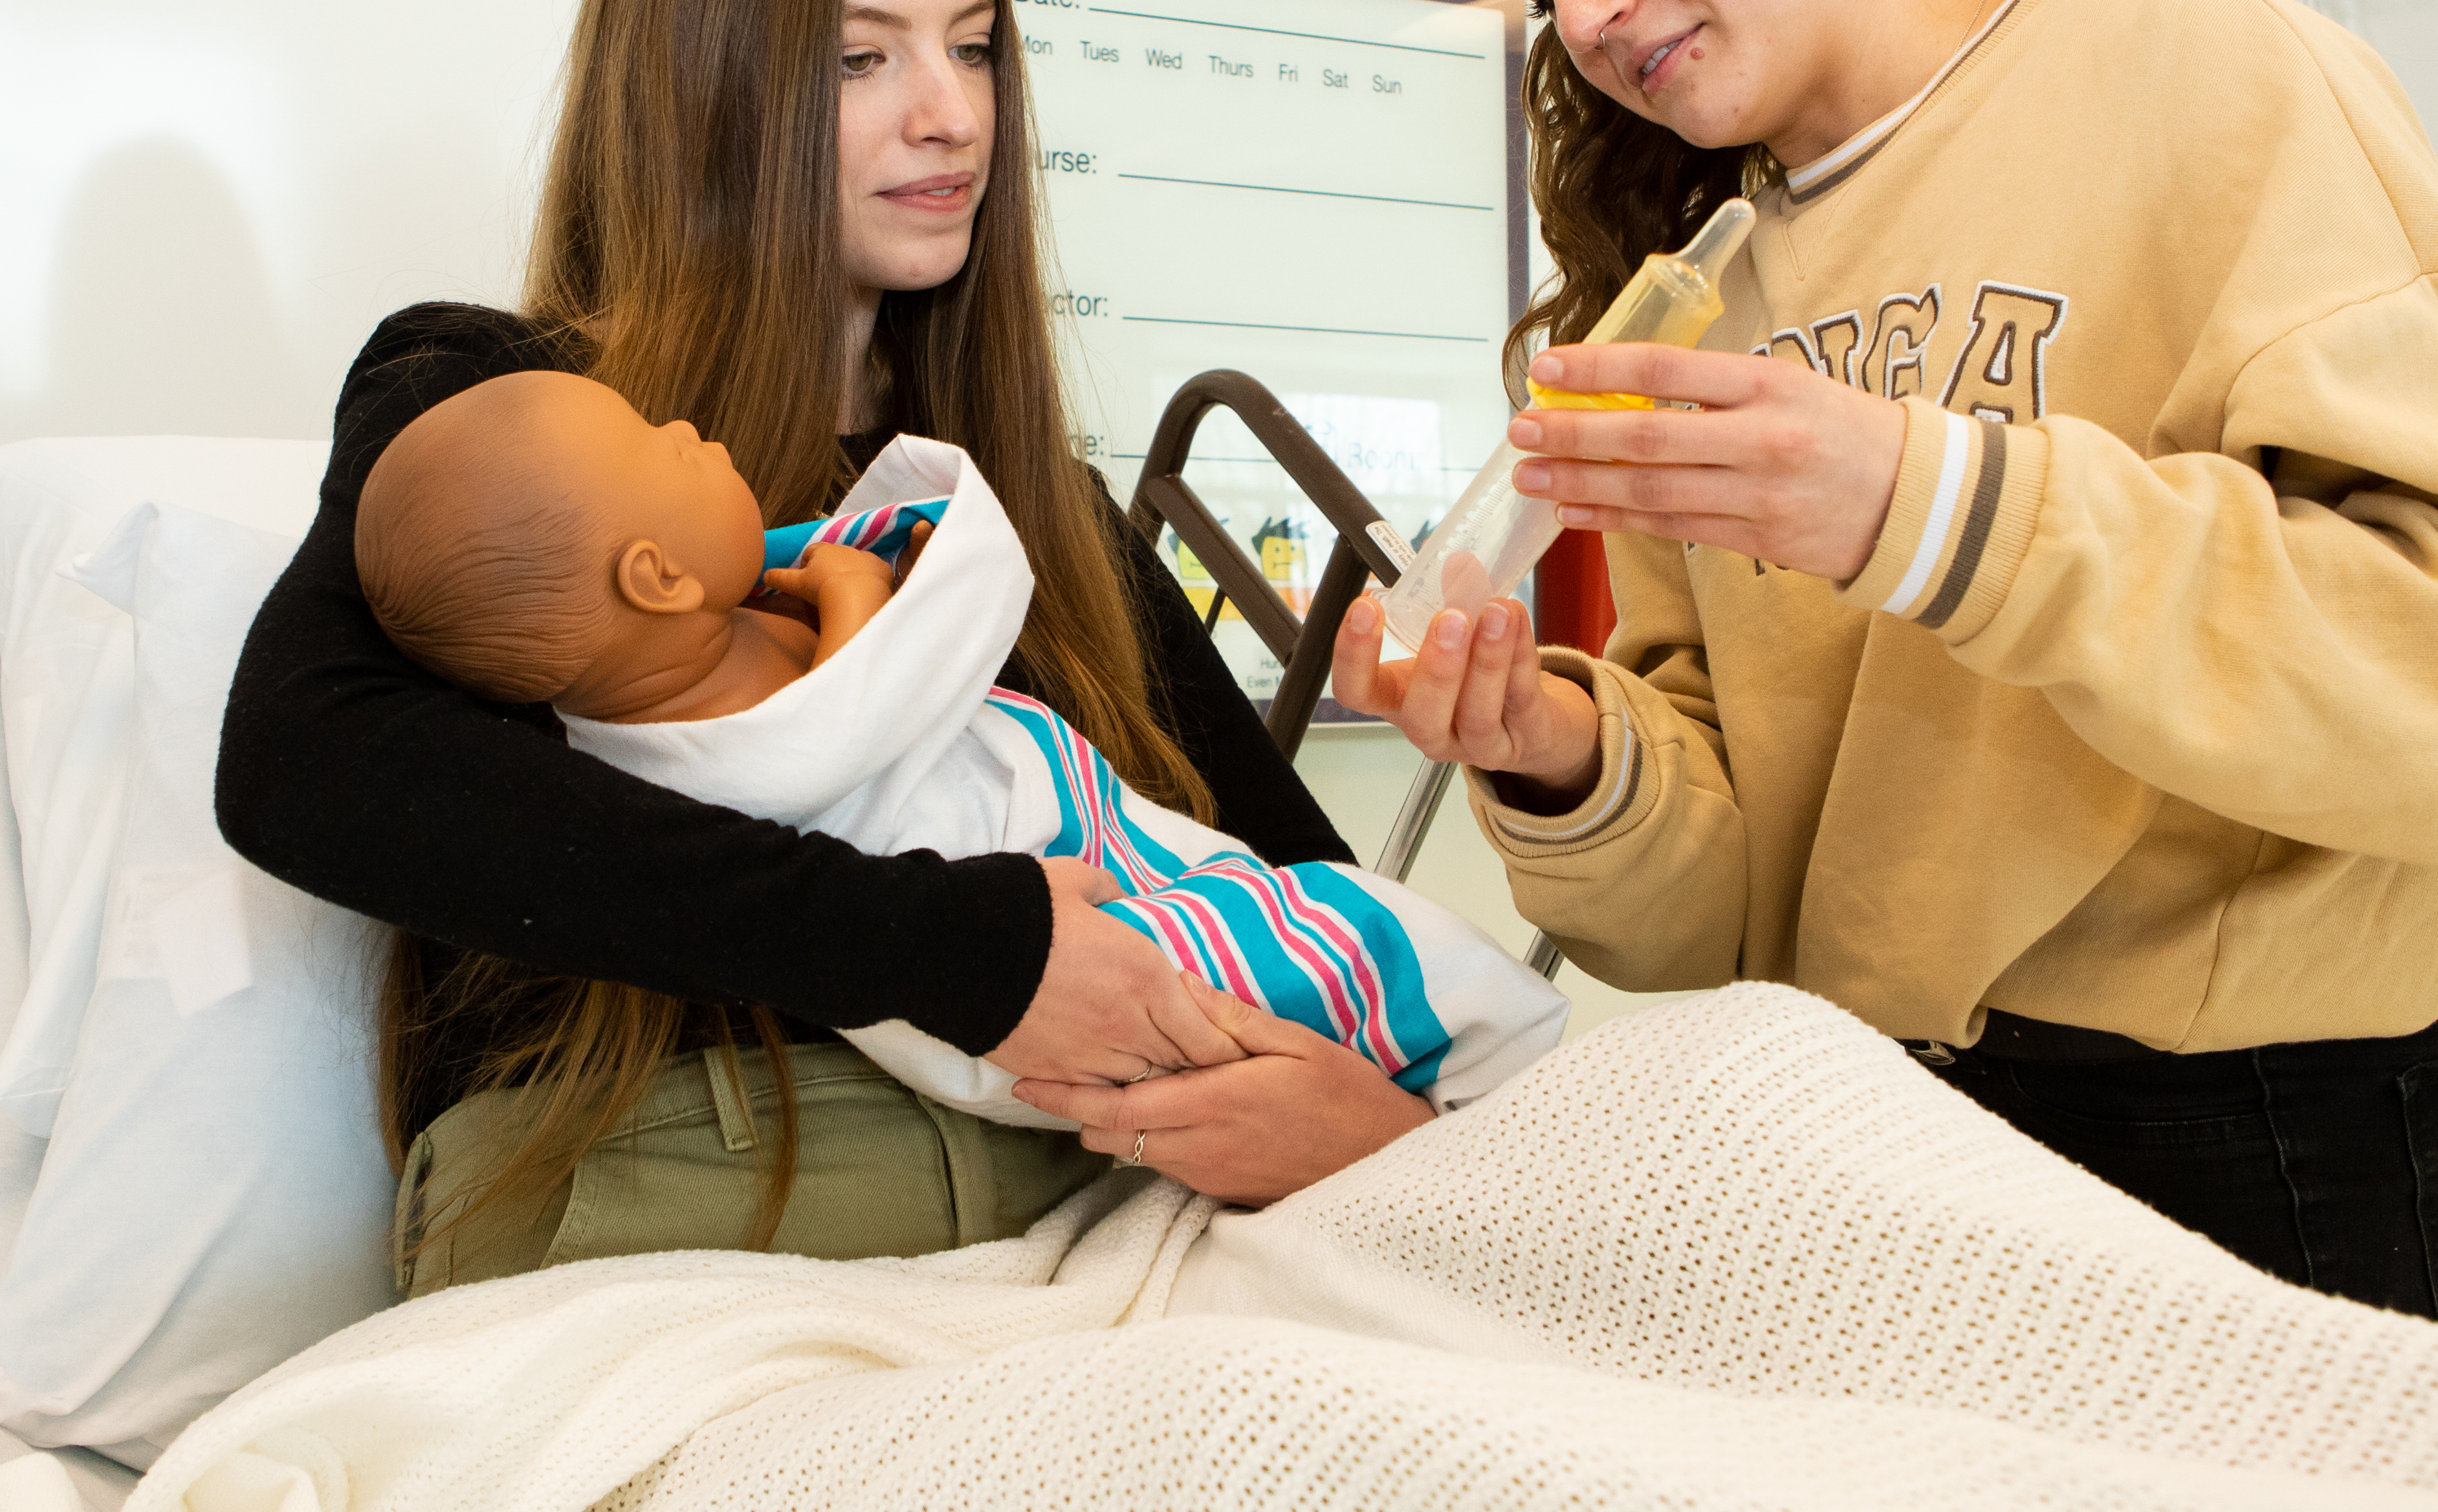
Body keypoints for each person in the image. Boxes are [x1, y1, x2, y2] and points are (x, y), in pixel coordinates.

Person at [1322, 0, 2438, 1337]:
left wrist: (1949, 511)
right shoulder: (1693, 282)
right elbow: (1736, 902)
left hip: (2256, 1145)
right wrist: (1567, 753)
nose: (1581, 9)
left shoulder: (2203, 74)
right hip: (1876, 1135)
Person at [215, 0, 1436, 1297]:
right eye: (862, 56)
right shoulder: (500, 408)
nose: (952, 113)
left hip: (1075, 1202)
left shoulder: (1032, 514)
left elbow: (1303, 890)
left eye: (975, 45)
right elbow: (302, 764)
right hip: (674, 1190)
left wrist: (1379, 1122)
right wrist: (961, 955)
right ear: (699, 85)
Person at [345, 370, 1561, 1148]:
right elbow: (870, 695)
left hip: (1026, 973)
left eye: (974, 46)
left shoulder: (628, 711)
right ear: (656, 579)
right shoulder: (752, 718)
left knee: (1333, 925)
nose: (681, 425)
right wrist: (847, 573)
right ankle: (1528, 1105)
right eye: (657, 445)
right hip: (1076, 955)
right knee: (1392, 955)